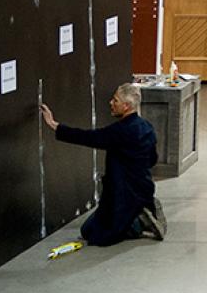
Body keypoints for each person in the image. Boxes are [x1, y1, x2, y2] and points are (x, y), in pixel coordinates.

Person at [40, 83, 166, 245]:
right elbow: (152, 159)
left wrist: (54, 125)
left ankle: (140, 221)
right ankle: (137, 211)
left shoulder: (120, 132)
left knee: (99, 238)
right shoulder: (146, 127)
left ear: (126, 106)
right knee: (88, 230)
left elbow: (88, 137)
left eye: (115, 101)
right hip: (142, 190)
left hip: (124, 195)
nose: (110, 103)